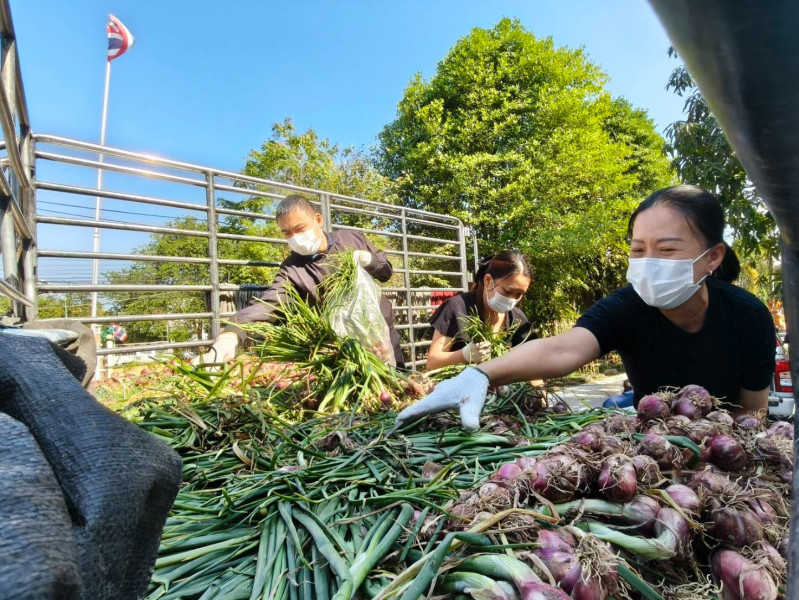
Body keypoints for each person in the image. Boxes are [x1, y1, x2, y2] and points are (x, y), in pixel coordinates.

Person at [396, 185, 775, 430]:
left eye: (667, 249)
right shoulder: (627, 307)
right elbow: (565, 348)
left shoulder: (748, 316)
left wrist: (720, 453)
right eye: (638, 249)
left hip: (723, 453)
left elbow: (752, 414)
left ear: (713, 257)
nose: (648, 261)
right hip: (656, 450)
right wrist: (479, 375)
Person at [198, 194, 404, 366]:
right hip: (342, 349)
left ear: (318, 220)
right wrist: (231, 335)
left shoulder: (351, 239)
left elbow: (385, 272)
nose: (295, 237)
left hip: (382, 335)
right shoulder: (292, 269)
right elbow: (268, 303)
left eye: (300, 228)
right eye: (287, 233)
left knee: (400, 388)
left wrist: (370, 260)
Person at [426, 251, 533, 370]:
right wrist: (464, 355)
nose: (511, 299)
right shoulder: (456, 308)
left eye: (519, 294)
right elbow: (432, 363)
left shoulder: (518, 320)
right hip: (460, 380)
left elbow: (531, 364)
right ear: (488, 281)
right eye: (508, 291)